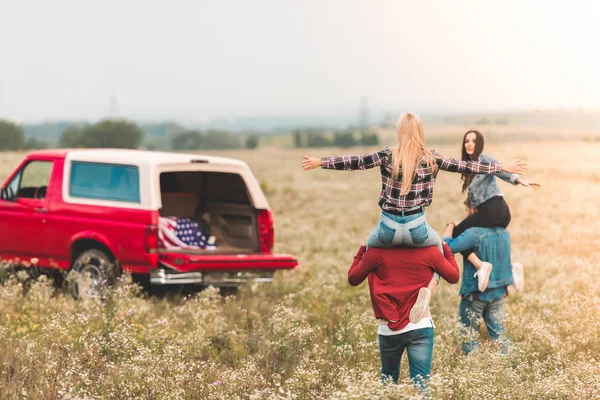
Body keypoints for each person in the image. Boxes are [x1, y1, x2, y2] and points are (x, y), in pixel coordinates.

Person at [302, 113, 527, 321]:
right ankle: (428, 291)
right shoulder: (432, 158)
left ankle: (384, 310)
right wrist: (502, 167)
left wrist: (320, 161)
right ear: (420, 132)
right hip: (418, 229)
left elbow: (355, 162)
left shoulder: (387, 155)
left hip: (387, 229)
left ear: (400, 132)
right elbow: (466, 166)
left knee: (365, 262)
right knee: (443, 254)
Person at [347, 241, 459, 393]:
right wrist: (445, 248)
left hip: (389, 326)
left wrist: (362, 249)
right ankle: (430, 287)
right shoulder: (429, 251)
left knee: (388, 380)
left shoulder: (375, 253)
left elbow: (353, 279)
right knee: (421, 384)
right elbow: (454, 276)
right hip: (420, 324)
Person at [449, 130, 538, 291]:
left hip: (494, 208)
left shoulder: (483, 159)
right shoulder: (467, 167)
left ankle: (480, 266)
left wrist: (518, 180)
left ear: (479, 144)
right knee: (489, 240)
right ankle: (511, 268)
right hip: (496, 212)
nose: (469, 144)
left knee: (457, 232)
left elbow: (501, 170)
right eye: (467, 141)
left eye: (473, 141)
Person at [442, 199, 522, 354]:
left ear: (475, 210)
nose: (467, 215)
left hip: (476, 293)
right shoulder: (503, 232)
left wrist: (451, 225)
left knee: (469, 335)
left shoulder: (474, 233)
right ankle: (508, 362)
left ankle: (473, 365)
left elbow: (447, 247)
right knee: (499, 334)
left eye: (467, 211)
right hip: (499, 291)